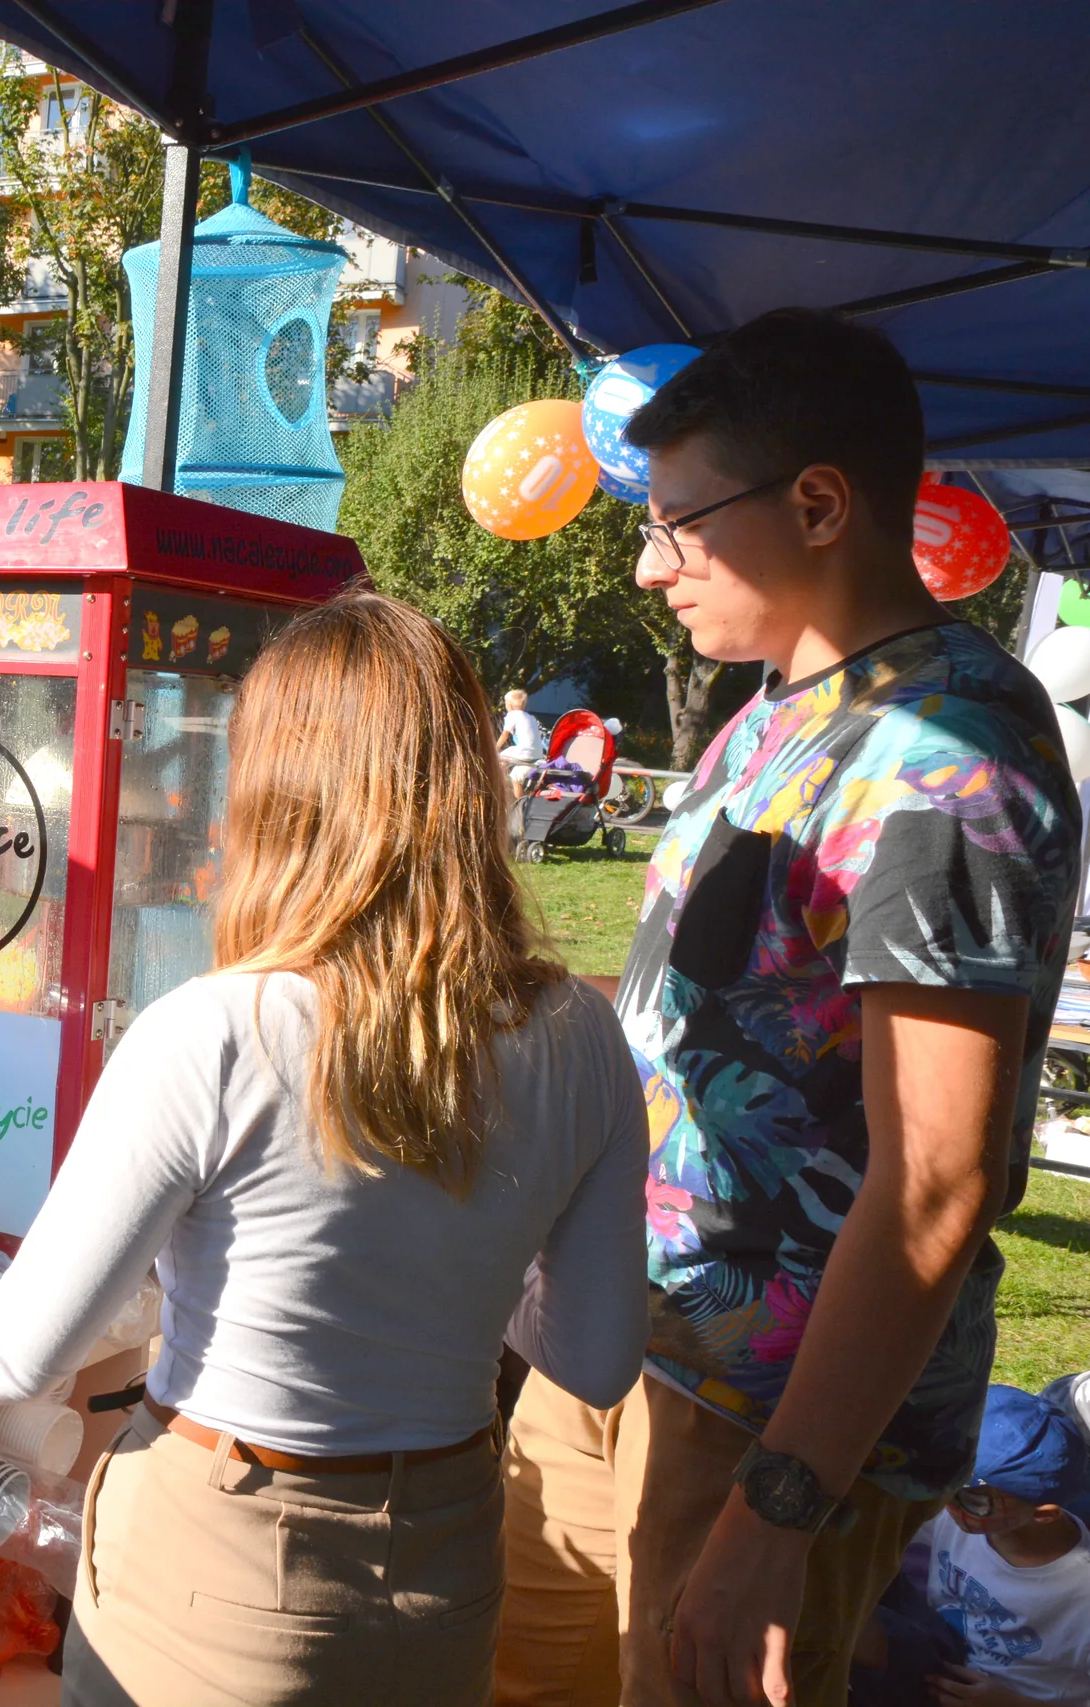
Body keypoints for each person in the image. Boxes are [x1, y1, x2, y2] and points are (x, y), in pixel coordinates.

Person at [0, 592, 647, 1707]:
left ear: (270, 790)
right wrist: (451, 1268)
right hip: (449, 1547)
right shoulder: (578, 1033)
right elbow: (595, 1360)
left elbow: (19, 1353)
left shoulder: (219, 1030)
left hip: (226, 1555)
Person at [494, 308, 1084, 1707]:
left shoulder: (947, 753)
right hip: (623, 1351)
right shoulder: (772, 717)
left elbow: (934, 1182)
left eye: (682, 523)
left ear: (819, 501)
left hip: (765, 1425)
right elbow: (735, 1010)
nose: (650, 565)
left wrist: (779, 1510)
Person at [850, 1385, 1090, 1707]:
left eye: (974, 1498)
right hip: (944, 1656)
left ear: (1045, 1514)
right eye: (948, 1482)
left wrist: (1011, 1703)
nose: (947, 1504)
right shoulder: (968, 1512)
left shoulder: (1081, 1601)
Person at [497, 687, 544, 798]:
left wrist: (494, 747)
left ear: (510, 705)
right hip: (536, 754)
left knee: (497, 758)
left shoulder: (512, 715)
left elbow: (504, 735)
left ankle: (499, 788)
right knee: (516, 776)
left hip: (524, 753)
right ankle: (520, 803)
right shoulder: (530, 717)